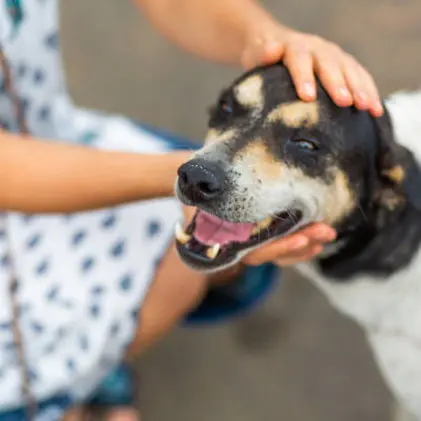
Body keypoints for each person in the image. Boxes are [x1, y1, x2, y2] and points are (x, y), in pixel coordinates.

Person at [0, 1, 382, 420]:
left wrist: (267, 37)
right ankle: (59, 395)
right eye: (230, 111)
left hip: (49, 133)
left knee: (210, 252)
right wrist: (181, 176)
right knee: (187, 260)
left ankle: (90, 363)